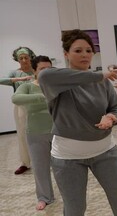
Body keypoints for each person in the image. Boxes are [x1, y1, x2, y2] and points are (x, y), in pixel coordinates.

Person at [38, 29, 117, 216]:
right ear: (66, 54)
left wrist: (111, 117)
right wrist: (100, 75)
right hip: (68, 158)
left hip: (105, 152)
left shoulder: (102, 82)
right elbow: (44, 76)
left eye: (89, 50)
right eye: (78, 50)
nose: (85, 55)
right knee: (75, 209)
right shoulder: (56, 81)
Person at [11, 56, 54, 210]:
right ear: (35, 71)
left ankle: (68, 194)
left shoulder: (56, 85)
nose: (46, 72)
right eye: (42, 69)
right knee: (40, 167)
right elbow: (16, 98)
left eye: (49, 68)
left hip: (58, 132)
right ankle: (44, 197)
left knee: (62, 167)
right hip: (36, 133)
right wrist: (43, 97)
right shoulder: (28, 86)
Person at [0, 46, 36, 174]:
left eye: (26, 57)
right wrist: (20, 79)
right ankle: (25, 163)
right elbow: (1, 80)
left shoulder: (36, 71)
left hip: (38, 104)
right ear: (17, 59)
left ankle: (50, 158)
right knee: (22, 133)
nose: (24, 60)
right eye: (21, 58)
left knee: (44, 132)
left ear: (31, 57)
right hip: (21, 106)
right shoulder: (15, 73)